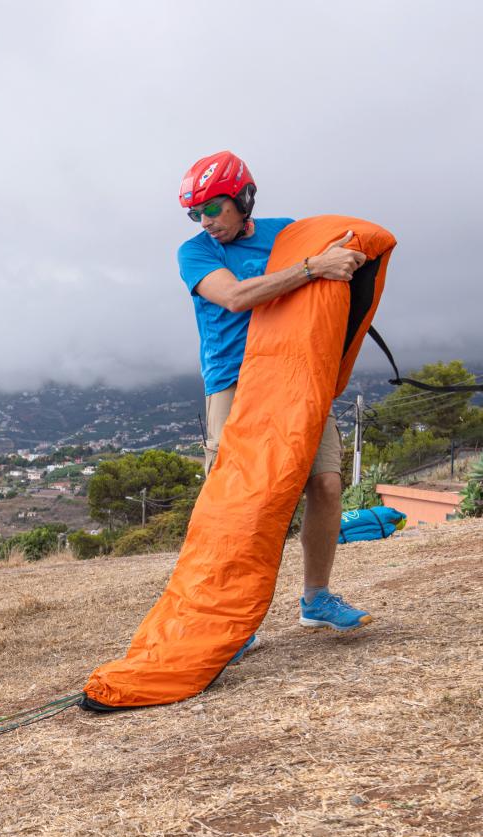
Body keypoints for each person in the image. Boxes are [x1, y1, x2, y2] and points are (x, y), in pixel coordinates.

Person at [176, 150, 372, 643]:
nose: (206, 221)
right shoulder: (195, 252)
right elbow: (237, 297)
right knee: (239, 504)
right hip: (234, 383)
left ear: (243, 197)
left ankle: (317, 598)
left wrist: (352, 263)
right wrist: (313, 268)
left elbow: (346, 251)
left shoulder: (286, 234)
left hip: (297, 375)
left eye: (213, 208)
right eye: (195, 213)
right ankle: (227, 622)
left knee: (326, 485)